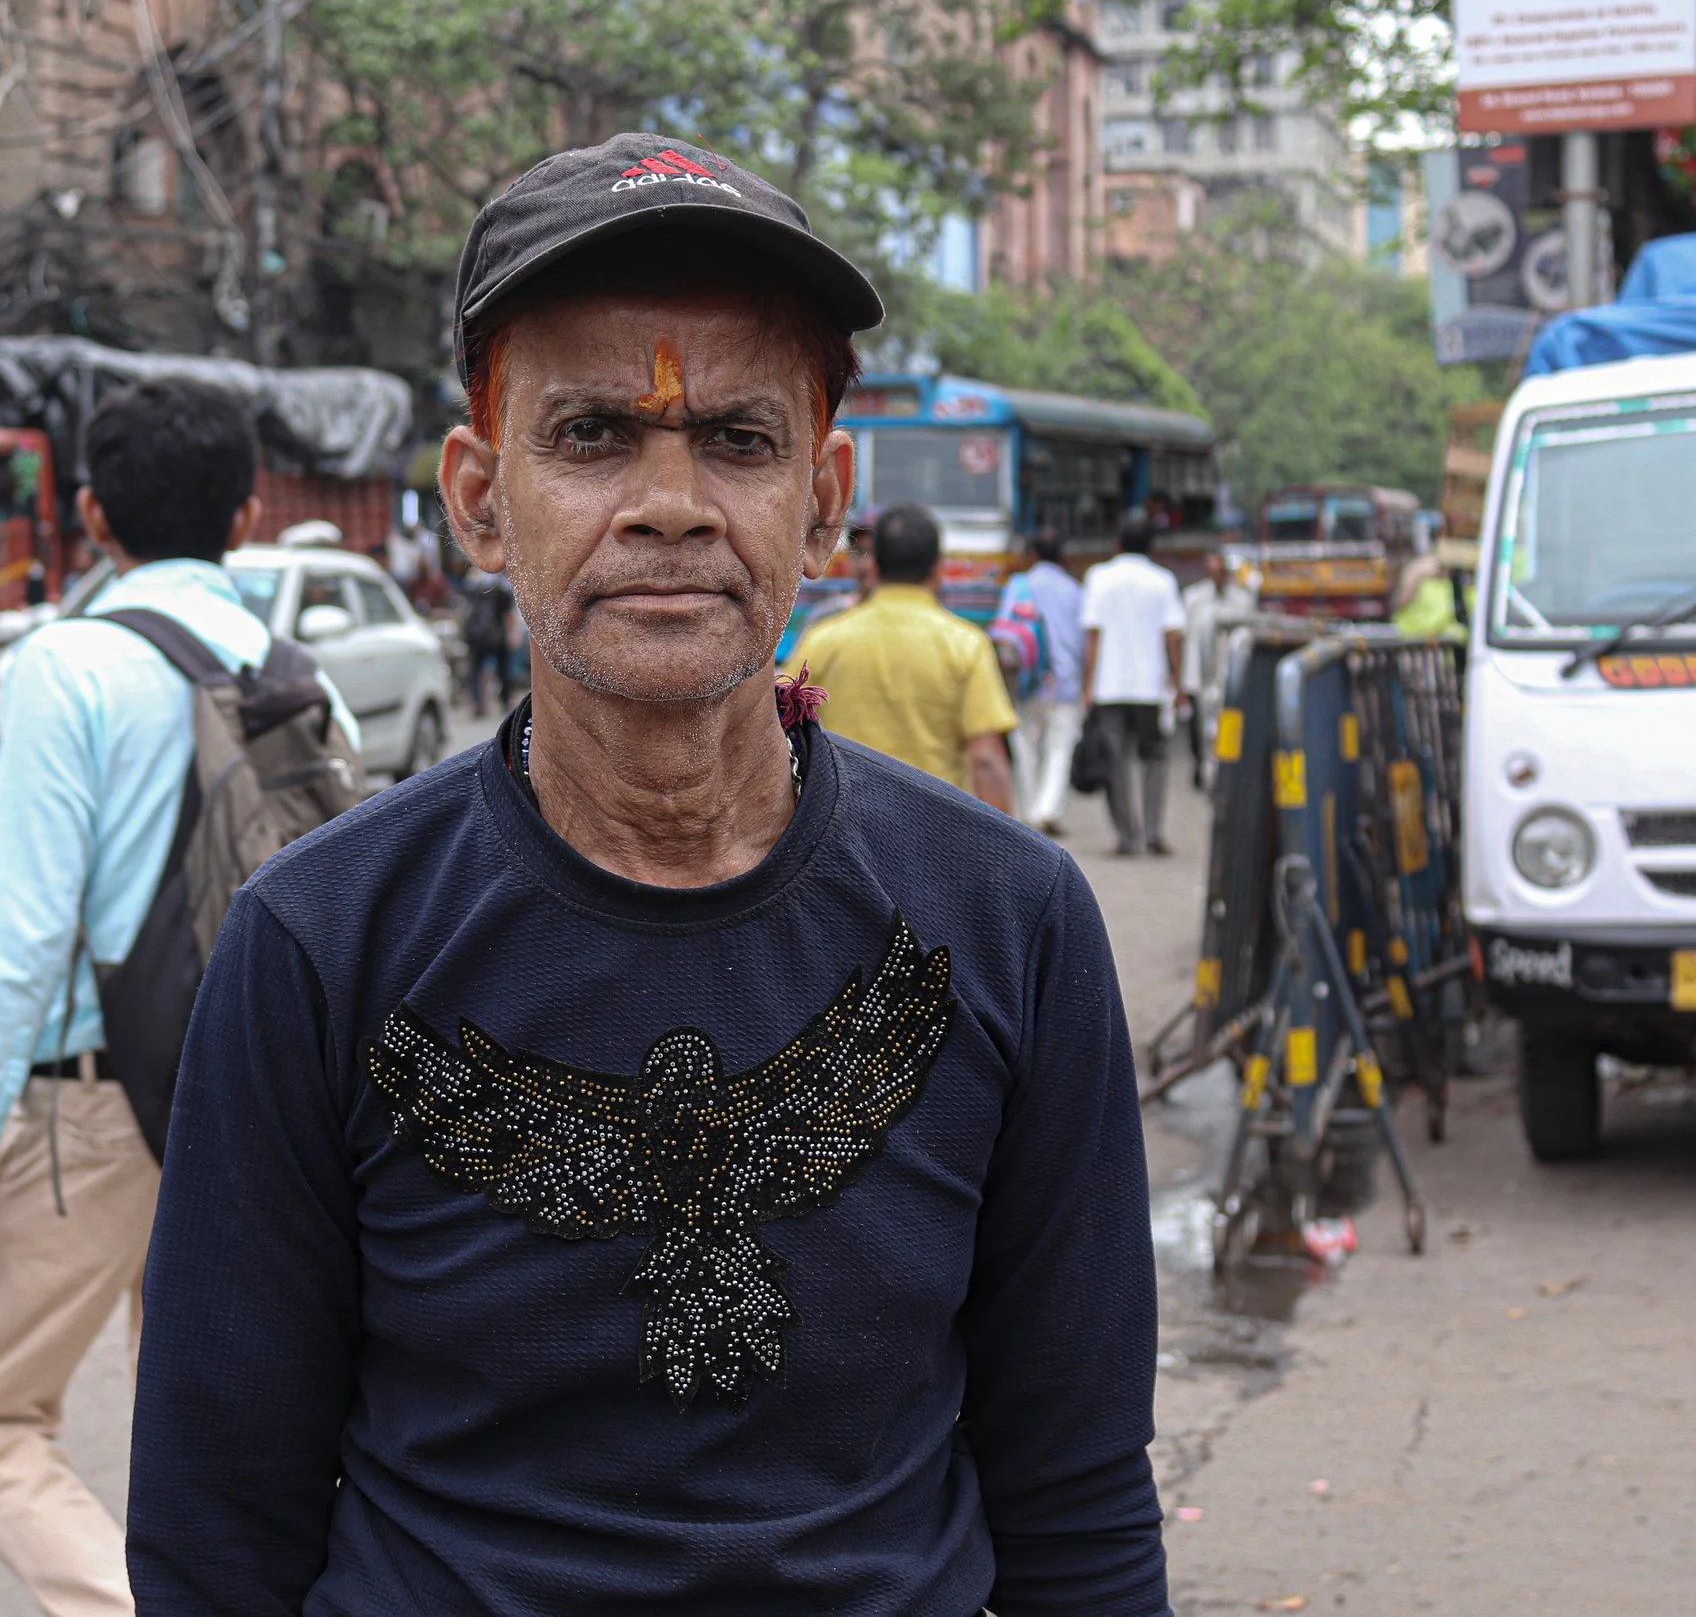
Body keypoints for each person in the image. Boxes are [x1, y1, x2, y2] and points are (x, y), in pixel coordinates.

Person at [128, 132, 1165, 1617]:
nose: (671, 502)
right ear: (481, 498)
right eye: (596, 435)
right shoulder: (317, 941)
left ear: (825, 499)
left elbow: (1076, 1498)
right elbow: (215, 1524)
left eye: (737, 439)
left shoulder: (1008, 921)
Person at [0, 380, 351, 1617]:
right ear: (249, 509)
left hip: (96, 1106)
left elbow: (20, 935)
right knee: (200, 1435)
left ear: (92, 514)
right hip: (259, 1103)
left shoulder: (68, 665)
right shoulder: (289, 669)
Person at [786, 502, 1016, 811]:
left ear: (876, 566)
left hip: (845, 824)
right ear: (938, 569)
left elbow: (784, 726)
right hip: (936, 824)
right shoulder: (966, 645)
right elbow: (986, 759)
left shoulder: (825, 639)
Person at [1081, 513, 1186, 857]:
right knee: (1155, 758)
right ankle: (1155, 832)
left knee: (1117, 762)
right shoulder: (1163, 580)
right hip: (1150, 687)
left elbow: (1093, 636)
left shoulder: (1099, 577)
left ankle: (1127, 837)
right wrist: (1178, 680)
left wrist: (1087, 685)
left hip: (1109, 686)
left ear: (1117, 544)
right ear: (1152, 547)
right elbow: (1172, 636)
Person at [995, 522, 1087, 836]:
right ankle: (1047, 809)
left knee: (1025, 746)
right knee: (1059, 748)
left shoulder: (1020, 584)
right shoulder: (1075, 590)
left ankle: (1028, 810)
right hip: (1065, 682)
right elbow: (1083, 640)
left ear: (1033, 553)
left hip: (1027, 680)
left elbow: (1006, 632)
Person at [1178, 548, 1255, 788]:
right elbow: (1183, 637)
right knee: (1200, 728)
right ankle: (1206, 770)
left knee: (1229, 722)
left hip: (1229, 676)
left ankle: (1227, 771)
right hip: (1199, 676)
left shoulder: (1242, 600)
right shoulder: (1194, 599)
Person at [795, 505, 880, 627]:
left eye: (874, 552)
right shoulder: (827, 618)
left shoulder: (904, 622)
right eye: (859, 552)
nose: (865, 564)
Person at [458, 564, 518, 716]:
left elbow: (464, 609)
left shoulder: (472, 581)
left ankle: (478, 703)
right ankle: (504, 701)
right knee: (502, 669)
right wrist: (511, 632)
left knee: (475, 670)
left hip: (476, 635)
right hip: (497, 634)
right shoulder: (502, 583)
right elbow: (508, 612)